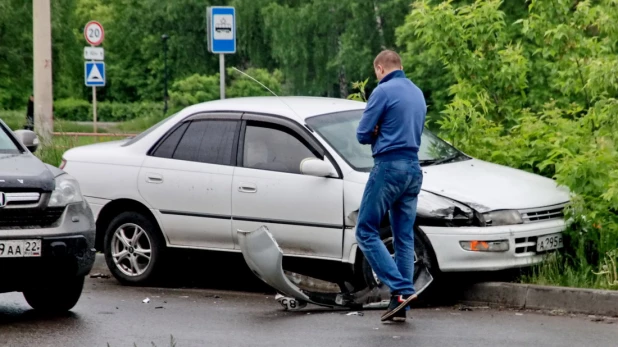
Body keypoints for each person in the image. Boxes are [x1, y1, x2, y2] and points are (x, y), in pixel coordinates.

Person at [355, 50, 426, 322]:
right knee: (403, 237)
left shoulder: (382, 91)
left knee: (365, 229)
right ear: (401, 66)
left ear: (381, 69)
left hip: (389, 167)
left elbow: (362, 133)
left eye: (376, 73)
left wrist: (375, 131)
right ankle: (399, 305)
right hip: (413, 168)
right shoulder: (417, 93)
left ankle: (402, 289)